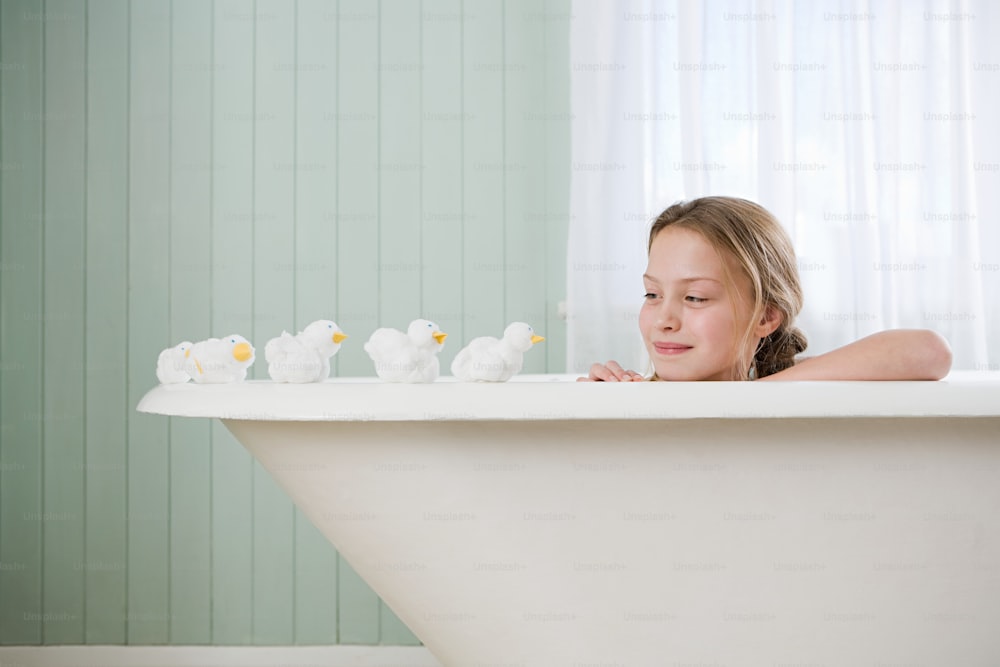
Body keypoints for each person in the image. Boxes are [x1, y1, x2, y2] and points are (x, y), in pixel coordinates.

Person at [579, 196, 952, 382]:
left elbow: (928, 351)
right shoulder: (630, 396)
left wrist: (750, 396)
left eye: (694, 297)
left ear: (767, 316)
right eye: (652, 294)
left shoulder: (782, 384)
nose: (663, 319)